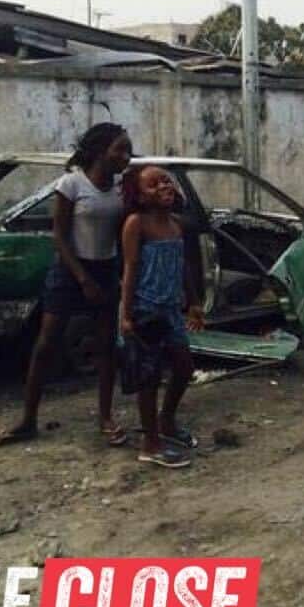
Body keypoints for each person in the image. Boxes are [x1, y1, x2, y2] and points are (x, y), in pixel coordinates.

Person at [0, 122, 132, 447]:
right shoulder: (71, 183)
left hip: (106, 268)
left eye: (128, 149)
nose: (126, 156)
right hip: (71, 270)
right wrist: (82, 278)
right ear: (100, 151)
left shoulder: (122, 188)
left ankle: (105, 418)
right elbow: (60, 235)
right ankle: (27, 419)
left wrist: (122, 274)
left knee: (107, 347)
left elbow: (123, 233)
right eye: (119, 149)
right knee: (46, 344)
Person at [119, 165, 204, 469]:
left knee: (184, 367)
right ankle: (150, 443)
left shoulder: (175, 224)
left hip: (171, 310)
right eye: (153, 185)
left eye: (166, 181)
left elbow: (182, 267)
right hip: (145, 309)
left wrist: (193, 302)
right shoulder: (135, 224)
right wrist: (125, 316)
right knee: (149, 378)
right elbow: (129, 271)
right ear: (139, 196)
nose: (164, 187)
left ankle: (166, 420)